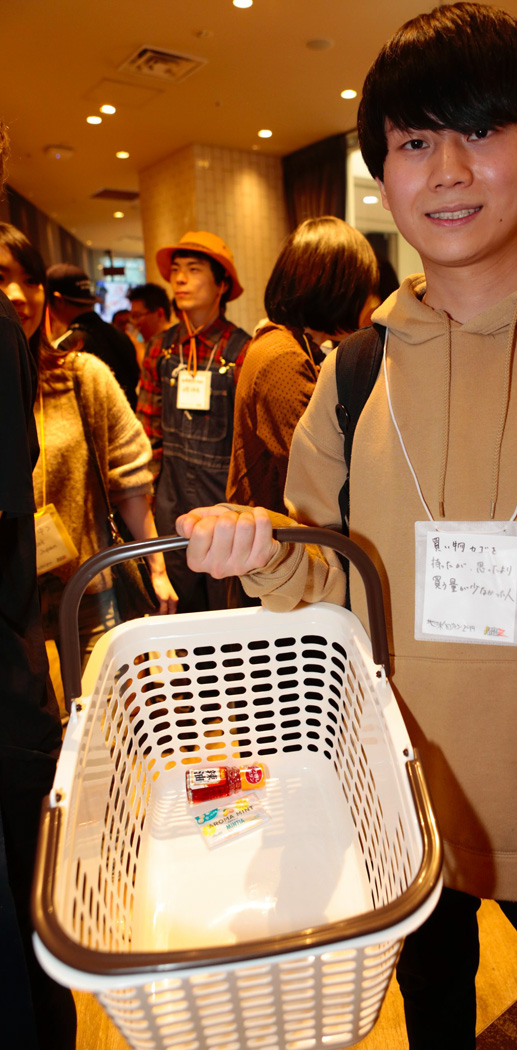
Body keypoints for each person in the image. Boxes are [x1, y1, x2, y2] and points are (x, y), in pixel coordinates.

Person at [175, 5, 517, 1049]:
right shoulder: (356, 370)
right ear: (382, 171)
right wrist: (267, 553)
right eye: (414, 142)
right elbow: (329, 589)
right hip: (402, 803)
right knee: (433, 1019)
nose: (448, 171)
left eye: (482, 131)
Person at [0, 224, 178, 670]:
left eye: (31, 281)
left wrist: (156, 570)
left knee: (106, 706)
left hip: (88, 594)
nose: (18, 295)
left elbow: (130, 480)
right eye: (1, 279)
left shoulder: (82, 376)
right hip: (9, 609)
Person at [0, 130, 76, 1049]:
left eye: (25, 281)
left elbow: (123, 465)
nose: (16, 294)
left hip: (63, 593)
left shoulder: (75, 370)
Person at [227, 216, 379, 514]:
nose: (367, 302)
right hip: (281, 533)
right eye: (361, 290)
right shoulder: (283, 357)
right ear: (336, 290)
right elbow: (321, 468)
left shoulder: (287, 344)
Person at [137, 230, 251, 612]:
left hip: (226, 502)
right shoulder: (160, 348)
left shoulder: (244, 350)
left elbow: (248, 443)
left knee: (229, 607)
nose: (180, 279)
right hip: (169, 500)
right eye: (175, 270)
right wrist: (145, 501)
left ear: (222, 284)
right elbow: (148, 430)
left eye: (193, 269)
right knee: (179, 606)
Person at [46, 263, 140, 407]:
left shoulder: (64, 346)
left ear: (58, 300)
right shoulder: (120, 334)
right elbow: (134, 379)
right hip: (129, 416)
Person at [128, 281, 172, 352]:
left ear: (159, 314)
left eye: (137, 316)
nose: (134, 323)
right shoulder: (151, 343)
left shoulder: (172, 344)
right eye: (133, 317)